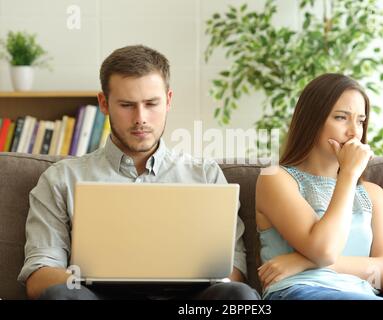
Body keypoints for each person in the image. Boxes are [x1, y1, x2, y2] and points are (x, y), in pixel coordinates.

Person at [18, 45, 259, 300]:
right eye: (127, 105)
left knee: (238, 295)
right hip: (96, 297)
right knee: (60, 295)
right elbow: (39, 277)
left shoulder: (205, 175)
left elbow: (234, 272)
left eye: (151, 103)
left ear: (168, 100)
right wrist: (94, 280)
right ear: (104, 103)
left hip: (188, 300)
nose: (140, 118)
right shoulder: (61, 179)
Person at [255, 73, 383, 300]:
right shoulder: (276, 178)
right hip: (301, 291)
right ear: (312, 121)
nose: (354, 131)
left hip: (363, 295)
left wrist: (302, 261)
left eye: (360, 120)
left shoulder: (373, 194)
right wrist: (348, 174)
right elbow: (324, 249)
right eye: (341, 118)